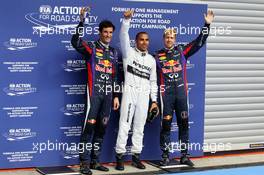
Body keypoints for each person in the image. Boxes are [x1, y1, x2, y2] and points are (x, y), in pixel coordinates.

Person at [156, 10, 215, 167]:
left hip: (181, 95)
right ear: (164, 39)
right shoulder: (156, 56)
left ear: (175, 39)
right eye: (167, 37)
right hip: (165, 96)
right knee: (166, 126)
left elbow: (199, 42)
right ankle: (165, 155)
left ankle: (184, 155)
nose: (169, 39)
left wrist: (207, 25)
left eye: (172, 37)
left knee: (183, 125)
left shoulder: (182, 51)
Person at [71, 7, 120, 175]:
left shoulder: (114, 52)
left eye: (110, 32)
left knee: (102, 128)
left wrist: (115, 96)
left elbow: (115, 76)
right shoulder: (92, 47)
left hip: (108, 96)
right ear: (100, 32)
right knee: (89, 129)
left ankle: (95, 161)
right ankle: (84, 162)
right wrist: (81, 21)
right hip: (94, 94)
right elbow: (76, 42)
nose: (107, 35)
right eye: (105, 32)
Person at [115, 10, 159, 170]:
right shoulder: (128, 53)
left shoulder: (151, 60)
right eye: (142, 39)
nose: (145, 42)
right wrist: (126, 20)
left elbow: (153, 81)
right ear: (136, 41)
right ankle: (119, 156)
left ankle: (136, 156)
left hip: (144, 95)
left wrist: (154, 101)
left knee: (139, 126)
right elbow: (122, 37)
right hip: (129, 92)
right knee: (125, 125)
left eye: (147, 40)